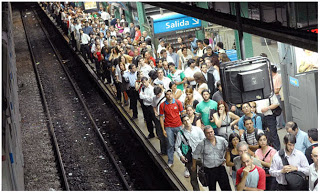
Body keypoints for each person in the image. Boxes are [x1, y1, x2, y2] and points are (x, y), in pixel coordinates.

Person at [191, 126, 231, 191]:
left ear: (214, 131)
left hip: (220, 167)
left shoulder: (222, 140)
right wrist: (193, 166)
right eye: (208, 133)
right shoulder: (202, 144)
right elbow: (195, 154)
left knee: (226, 188)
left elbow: (228, 149)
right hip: (209, 170)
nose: (210, 134)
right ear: (205, 134)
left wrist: (226, 159)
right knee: (212, 189)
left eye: (211, 132)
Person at [175, 114, 205, 190]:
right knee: (193, 177)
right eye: (185, 121)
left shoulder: (197, 130)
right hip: (190, 157)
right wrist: (181, 156)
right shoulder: (180, 133)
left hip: (200, 156)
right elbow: (177, 146)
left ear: (190, 120)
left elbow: (204, 141)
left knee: (207, 173)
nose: (187, 122)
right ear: (183, 123)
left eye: (188, 120)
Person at [159, 89, 184, 167]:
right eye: (167, 94)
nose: (169, 96)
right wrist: (163, 129)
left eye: (170, 94)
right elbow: (161, 117)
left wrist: (183, 124)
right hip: (168, 126)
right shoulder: (162, 105)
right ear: (165, 95)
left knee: (183, 143)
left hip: (179, 125)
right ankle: (170, 161)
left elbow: (182, 113)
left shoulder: (178, 102)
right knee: (170, 144)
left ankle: (184, 159)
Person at [152, 86, 167, 155]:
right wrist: (155, 112)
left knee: (166, 135)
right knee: (160, 134)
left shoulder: (165, 97)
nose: (158, 96)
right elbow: (154, 106)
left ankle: (167, 150)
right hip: (158, 119)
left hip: (165, 120)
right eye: (156, 95)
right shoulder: (154, 98)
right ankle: (163, 150)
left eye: (158, 94)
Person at [271, 65, 285, 129]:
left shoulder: (278, 77)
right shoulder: (272, 77)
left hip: (277, 95)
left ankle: (279, 125)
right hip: (273, 95)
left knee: (278, 111)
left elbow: (277, 90)